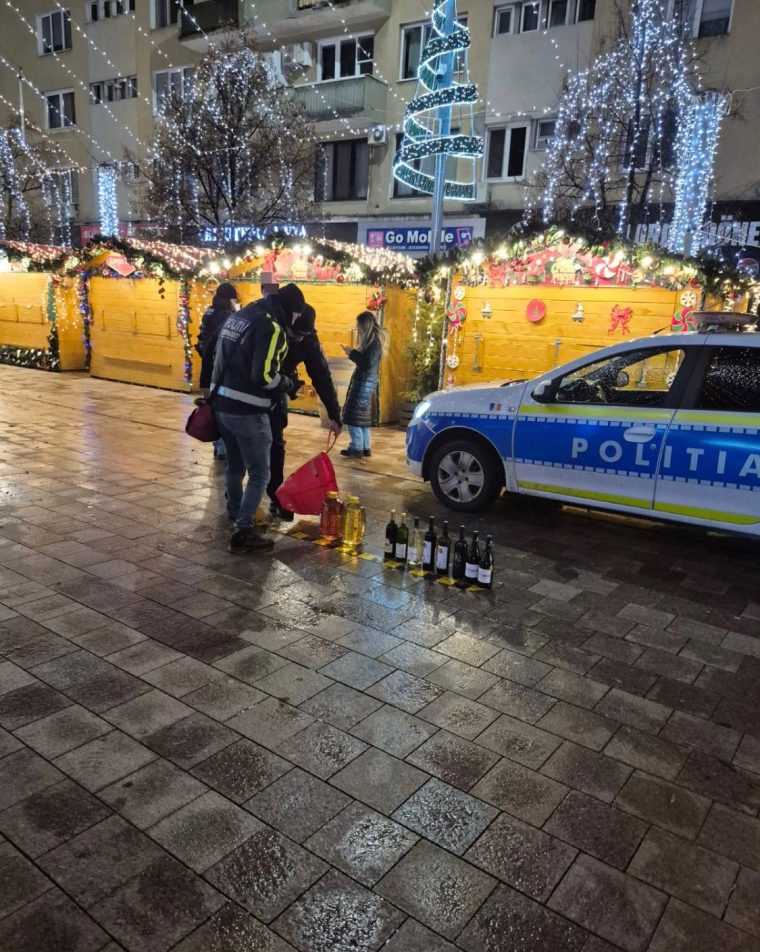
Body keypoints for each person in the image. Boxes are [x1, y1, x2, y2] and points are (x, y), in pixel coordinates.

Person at [210, 284, 304, 553]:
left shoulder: (242, 315)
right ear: (291, 311)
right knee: (261, 473)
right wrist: (287, 383)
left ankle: (235, 512)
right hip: (248, 410)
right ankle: (243, 530)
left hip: (222, 406)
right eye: (296, 315)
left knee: (235, 466)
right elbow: (262, 376)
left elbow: (216, 355)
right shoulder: (271, 327)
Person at [268, 299, 342, 522]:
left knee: (276, 445)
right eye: (295, 334)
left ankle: (276, 498)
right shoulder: (271, 326)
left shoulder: (308, 338)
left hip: (277, 392)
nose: (298, 339)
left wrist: (334, 413)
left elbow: (320, 374)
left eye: (303, 335)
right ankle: (238, 503)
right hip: (254, 388)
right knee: (249, 447)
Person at [196, 282, 239, 459]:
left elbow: (202, 338)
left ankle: (218, 445)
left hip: (208, 363)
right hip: (219, 367)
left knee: (213, 406)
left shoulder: (209, 311)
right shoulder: (227, 316)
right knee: (222, 407)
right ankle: (222, 446)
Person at [341, 310, 383, 459]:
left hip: (362, 384)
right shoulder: (375, 343)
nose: (357, 329)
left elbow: (365, 364)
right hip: (368, 385)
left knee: (353, 417)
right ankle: (365, 447)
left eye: (359, 326)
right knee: (362, 419)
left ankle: (356, 447)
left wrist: (351, 352)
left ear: (365, 326)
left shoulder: (373, 344)